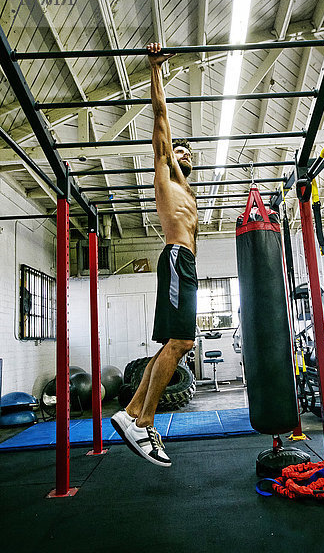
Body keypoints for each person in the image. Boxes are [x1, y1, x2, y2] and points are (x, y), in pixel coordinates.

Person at [111, 42, 198, 468]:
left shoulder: (190, 191)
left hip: (187, 264)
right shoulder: (165, 173)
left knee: (172, 343)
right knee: (182, 341)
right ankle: (143, 420)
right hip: (177, 259)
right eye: (177, 149)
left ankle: (131, 415)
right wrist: (155, 69)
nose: (181, 152)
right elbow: (161, 118)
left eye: (187, 152)